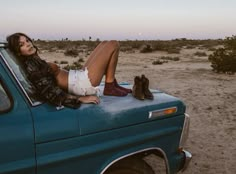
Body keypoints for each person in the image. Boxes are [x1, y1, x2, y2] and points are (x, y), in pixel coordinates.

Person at [6, 32, 132, 109]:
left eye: (27, 40)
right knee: (113, 44)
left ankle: (112, 84)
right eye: (21, 44)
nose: (28, 44)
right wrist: (79, 99)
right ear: (18, 51)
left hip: (76, 77)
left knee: (105, 43)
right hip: (80, 84)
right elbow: (49, 91)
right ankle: (110, 86)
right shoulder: (31, 67)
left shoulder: (33, 61)